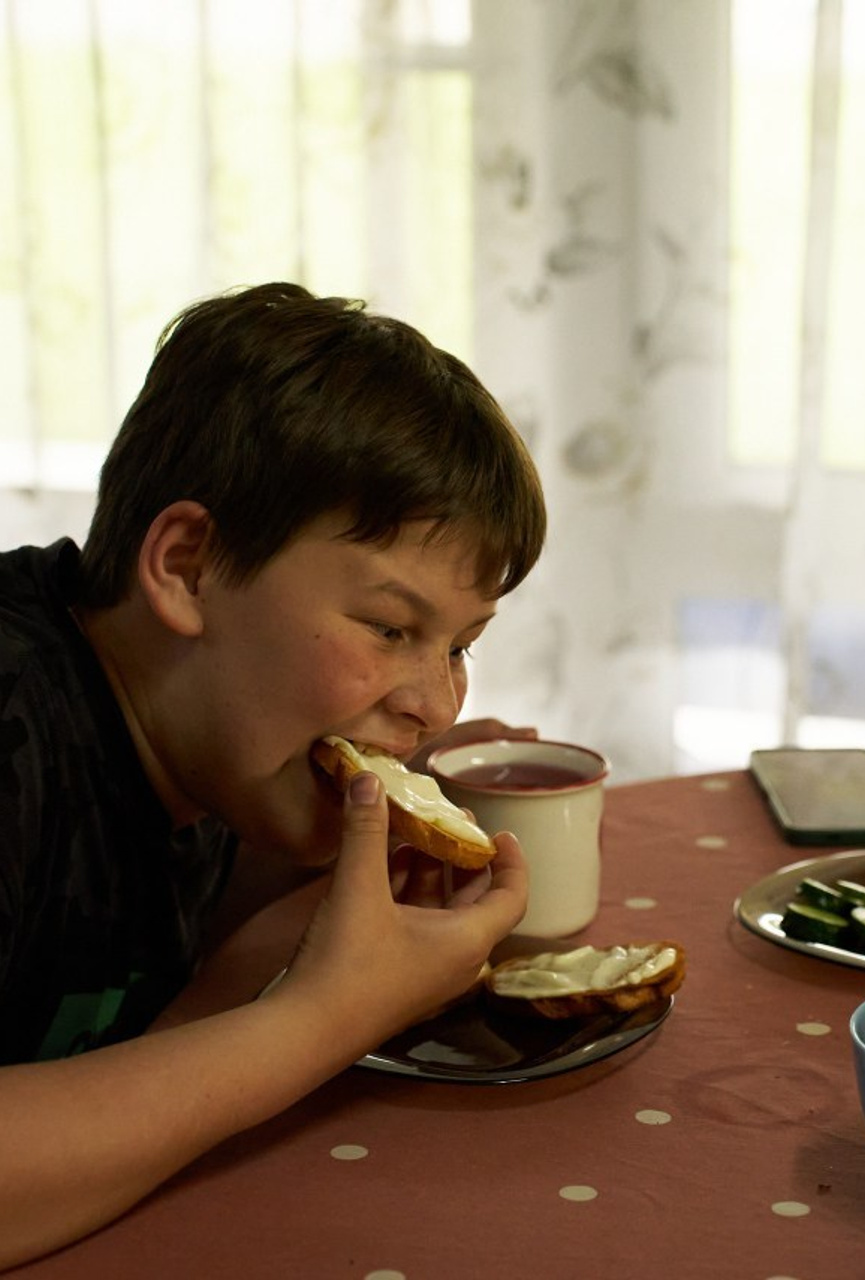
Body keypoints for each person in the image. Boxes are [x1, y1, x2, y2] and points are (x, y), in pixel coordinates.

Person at [0, 282, 546, 1267]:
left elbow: (120, 992)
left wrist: (302, 896)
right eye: (389, 627)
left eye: (458, 644)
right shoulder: (17, 724)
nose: (436, 703)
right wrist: (323, 1017)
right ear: (188, 566)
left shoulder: (205, 738)